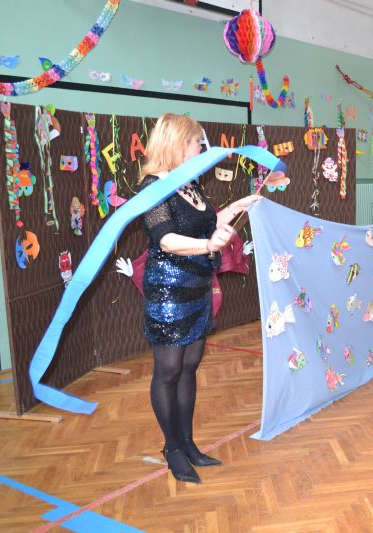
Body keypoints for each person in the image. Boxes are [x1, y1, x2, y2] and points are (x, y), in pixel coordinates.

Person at [138, 113, 261, 483]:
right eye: (196, 142)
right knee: (169, 370)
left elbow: (206, 223)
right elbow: (166, 239)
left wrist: (235, 208)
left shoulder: (188, 182)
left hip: (198, 287)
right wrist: (208, 245)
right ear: (179, 143)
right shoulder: (153, 186)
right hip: (169, 291)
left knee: (190, 365)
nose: (201, 149)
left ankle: (188, 443)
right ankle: (173, 449)